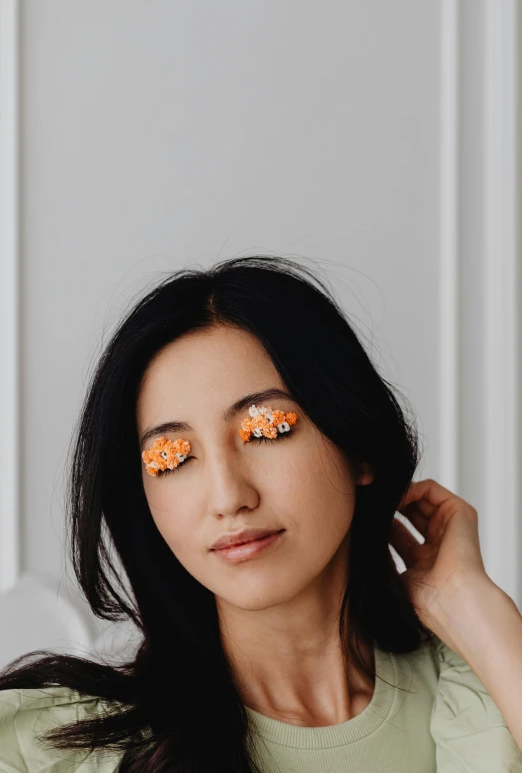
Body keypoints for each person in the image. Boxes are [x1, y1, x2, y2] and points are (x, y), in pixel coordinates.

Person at [0, 254, 520, 772]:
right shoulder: (49, 749)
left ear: (358, 447)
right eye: (172, 458)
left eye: (266, 429)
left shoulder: (487, 686)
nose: (228, 497)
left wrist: (470, 609)